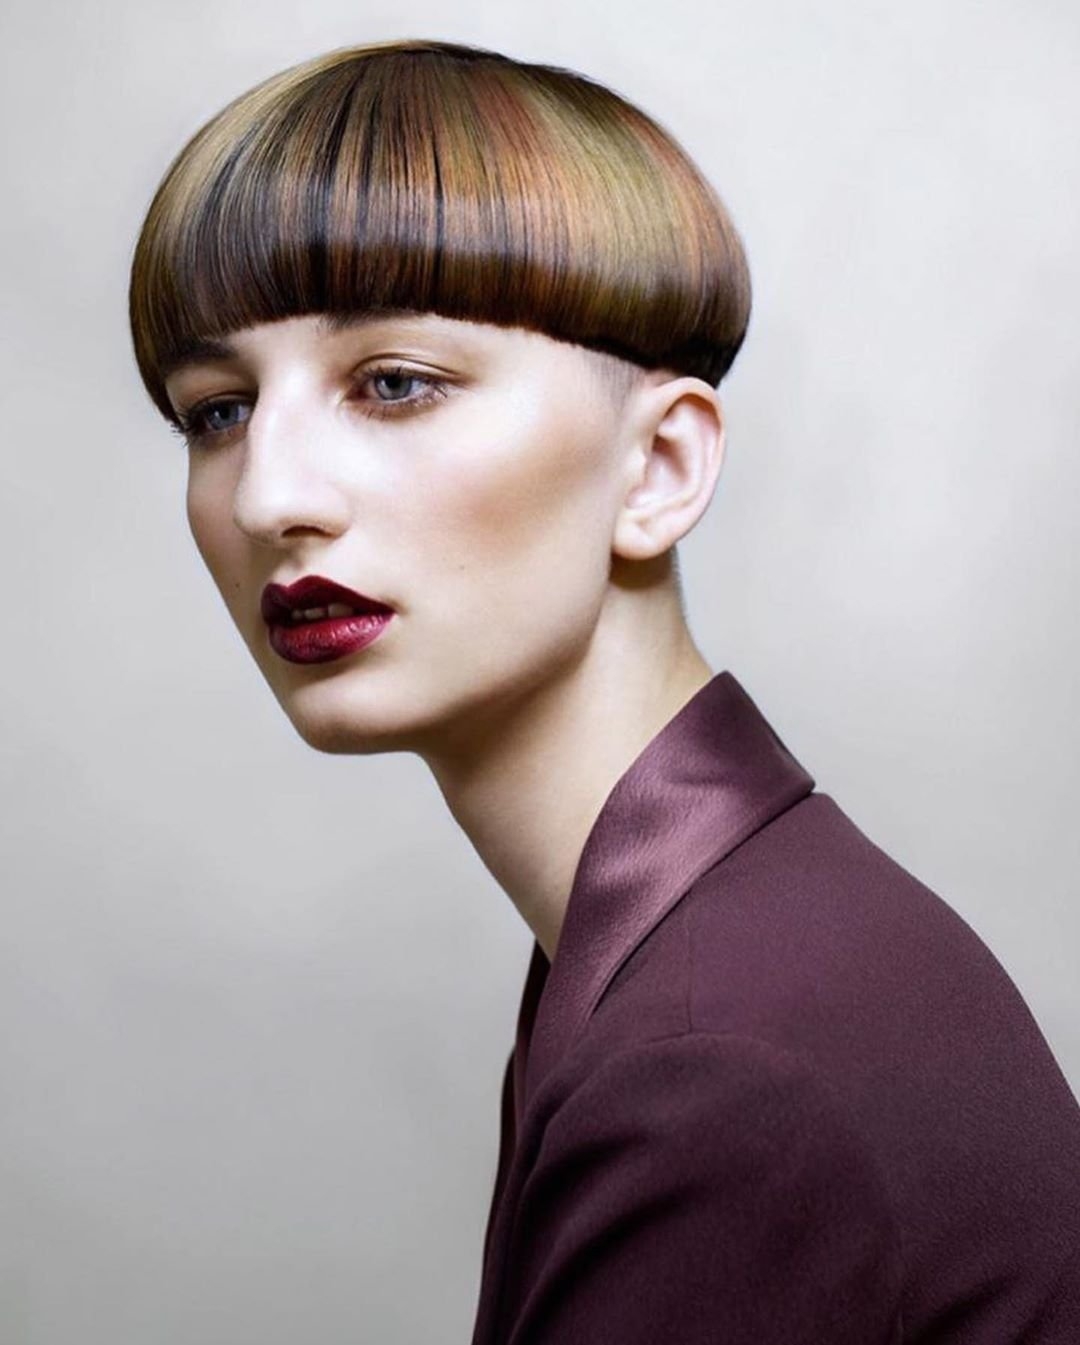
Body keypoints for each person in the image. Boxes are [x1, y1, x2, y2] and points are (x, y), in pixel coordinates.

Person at [127, 36, 1080, 1343]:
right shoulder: (706, 941)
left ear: (659, 468)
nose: (268, 496)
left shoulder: (717, 1064)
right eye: (217, 411)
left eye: (393, 383)